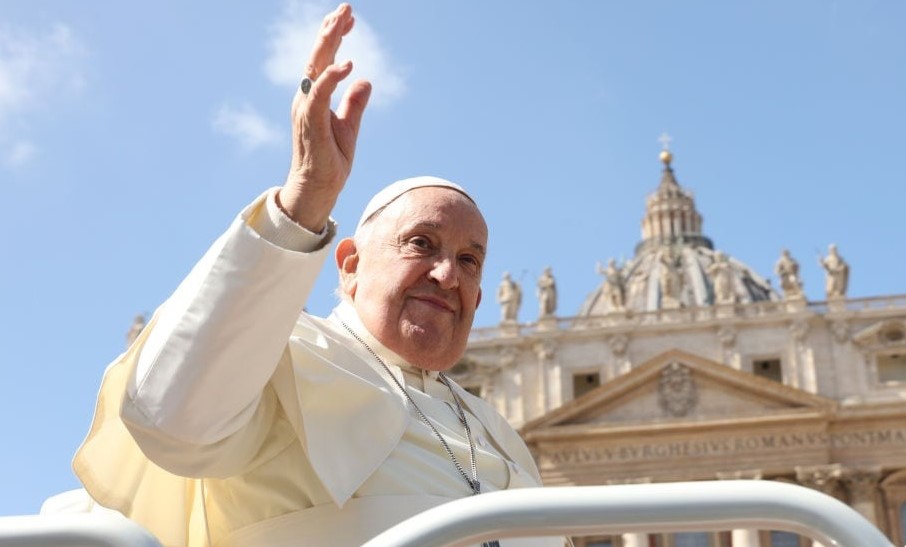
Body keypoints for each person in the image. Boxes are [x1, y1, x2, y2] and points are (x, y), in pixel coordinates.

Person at [71, 5, 560, 546]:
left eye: (470, 260)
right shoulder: (282, 357)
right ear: (350, 265)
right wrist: (307, 194)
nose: (448, 275)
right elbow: (172, 419)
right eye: (421, 244)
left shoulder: (496, 428)